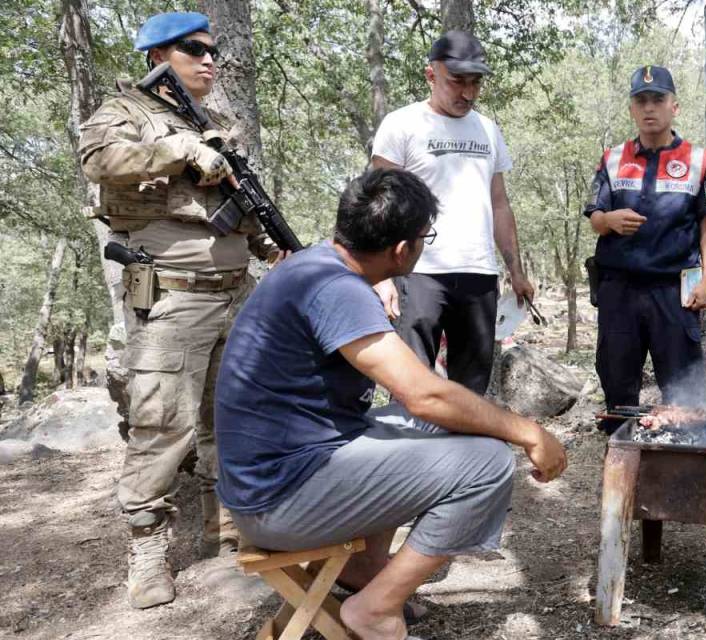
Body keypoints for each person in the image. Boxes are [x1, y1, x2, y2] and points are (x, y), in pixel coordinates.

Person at [215, 168, 567, 640]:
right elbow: (424, 394)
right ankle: (375, 608)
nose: (425, 244)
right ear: (402, 249)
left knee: (443, 427)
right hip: (277, 501)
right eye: (425, 236)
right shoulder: (336, 289)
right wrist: (529, 431)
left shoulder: (317, 266)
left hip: (278, 476)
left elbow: (428, 404)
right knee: (488, 463)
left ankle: (364, 572)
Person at [78, 11, 279, 609]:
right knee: (164, 423)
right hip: (172, 295)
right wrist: (179, 148)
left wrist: (275, 247)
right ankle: (147, 548)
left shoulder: (216, 122)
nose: (209, 59)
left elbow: (238, 206)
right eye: (194, 49)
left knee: (235, 415)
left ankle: (232, 524)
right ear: (157, 58)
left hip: (235, 290)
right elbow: (100, 161)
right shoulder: (125, 114)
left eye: (213, 49)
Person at [369, 30, 534, 394]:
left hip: (478, 274)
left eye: (475, 83)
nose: (468, 93)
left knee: (470, 391)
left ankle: (466, 452)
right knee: (412, 384)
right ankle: (413, 451)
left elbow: (500, 203)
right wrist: (380, 275)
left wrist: (516, 271)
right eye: (457, 81)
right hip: (419, 272)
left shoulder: (488, 130)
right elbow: (379, 201)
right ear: (431, 75)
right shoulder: (402, 124)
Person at [583, 65, 706, 431]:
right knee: (617, 387)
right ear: (632, 108)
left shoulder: (699, 160)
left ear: (674, 106)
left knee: (682, 393)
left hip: (674, 290)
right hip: (619, 290)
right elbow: (595, 217)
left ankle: (680, 467)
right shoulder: (611, 159)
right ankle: (620, 469)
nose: (650, 108)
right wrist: (609, 220)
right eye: (641, 100)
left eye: (658, 99)